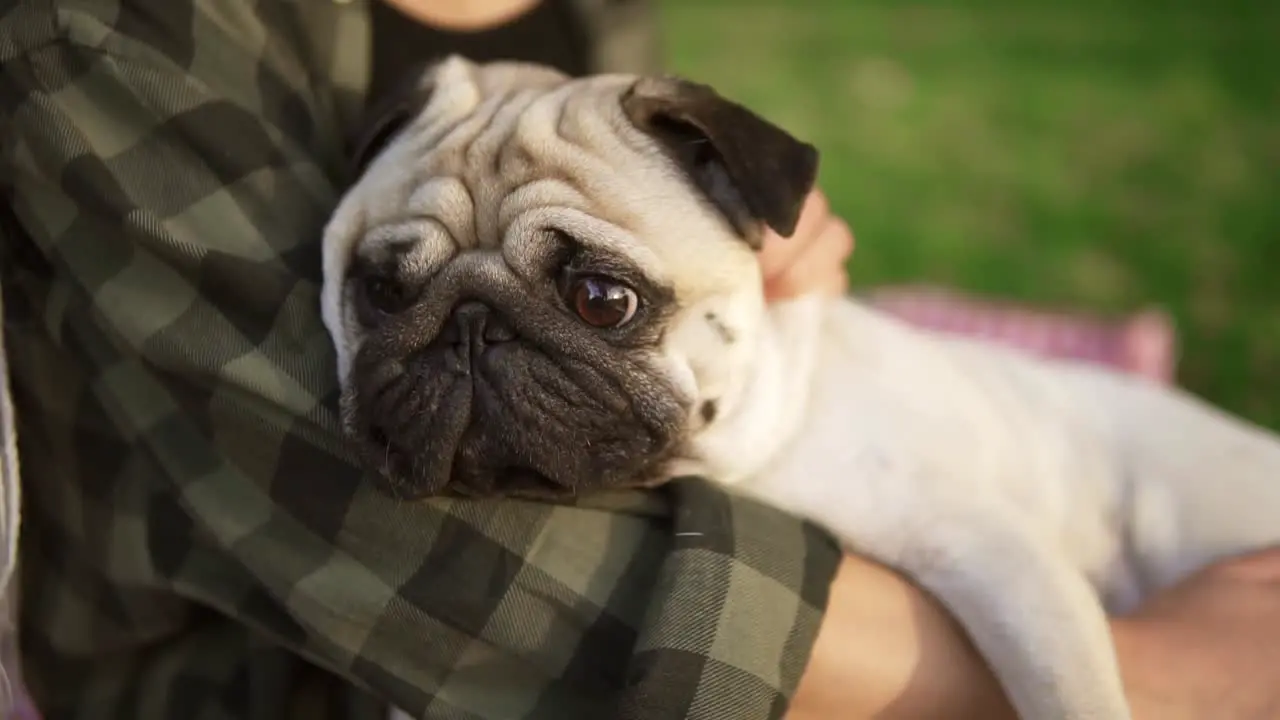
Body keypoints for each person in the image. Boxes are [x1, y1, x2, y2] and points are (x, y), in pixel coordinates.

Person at [1, 1, 1279, 718]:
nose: (471, 342)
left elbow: (1001, 552)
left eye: (602, 297)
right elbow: (369, 543)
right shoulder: (109, 39)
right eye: (400, 285)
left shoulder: (836, 414)